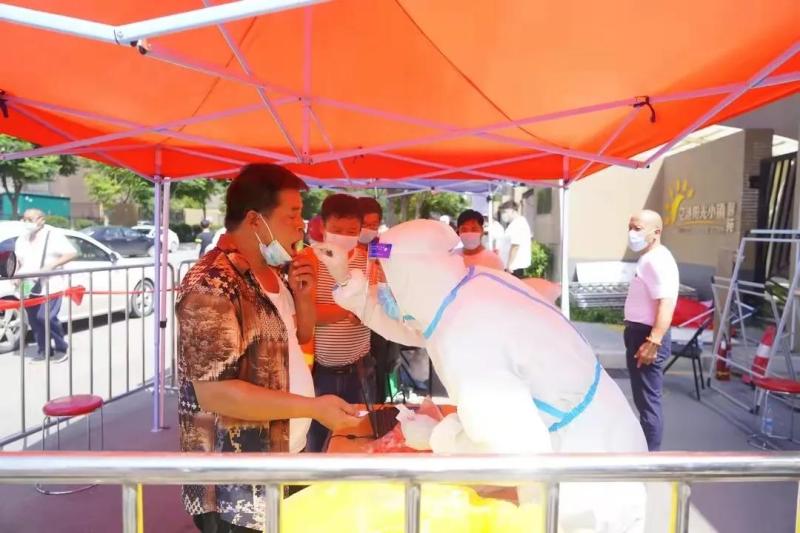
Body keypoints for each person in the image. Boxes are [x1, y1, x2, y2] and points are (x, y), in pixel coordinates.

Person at [313, 219, 650, 531]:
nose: (384, 287)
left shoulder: (466, 333)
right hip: (600, 447)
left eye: (387, 276)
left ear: (410, 276)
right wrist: (348, 284)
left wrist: (435, 436)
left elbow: (508, 456)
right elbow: (417, 327)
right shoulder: (473, 286)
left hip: (585, 485)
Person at [177, 164, 359, 533]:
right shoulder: (212, 284)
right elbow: (214, 393)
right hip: (238, 483)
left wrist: (304, 297)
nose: (302, 226)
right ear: (254, 220)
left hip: (286, 455)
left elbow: (297, 338)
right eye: (292, 214)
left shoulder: (273, 272)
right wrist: (312, 407)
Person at [305, 194, 373, 452]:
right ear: (323, 226)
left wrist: (364, 311)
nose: (344, 236)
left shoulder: (370, 262)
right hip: (320, 372)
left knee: (361, 439)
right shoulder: (310, 259)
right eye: (337, 230)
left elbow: (377, 308)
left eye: (351, 231)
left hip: (360, 368)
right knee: (318, 443)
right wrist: (351, 307)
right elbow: (309, 314)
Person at [623, 209, 679, 452]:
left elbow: (666, 302)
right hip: (641, 333)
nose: (631, 234)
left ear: (656, 232)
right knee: (644, 399)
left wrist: (653, 341)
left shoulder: (656, 260)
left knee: (648, 402)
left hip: (646, 336)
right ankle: (646, 450)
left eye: (637, 229)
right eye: (630, 228)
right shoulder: (651, 258)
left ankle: (649, 457)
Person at [15, 209, 77, 363]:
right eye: (24, 219)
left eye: (29, 219)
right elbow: (18, 260)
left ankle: (61, 348)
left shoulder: (53, 234)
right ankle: (44, 350)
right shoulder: (22, 238)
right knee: (34, 320)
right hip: (27, 284)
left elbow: (71, 253)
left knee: (46, 317)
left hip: (50, 284)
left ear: (41, 219)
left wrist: (51, 265)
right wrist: (15, 275)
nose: (26, 222)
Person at [499, 201, 532, 277]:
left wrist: (509, 265)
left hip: (514, 267)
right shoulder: (515, 224)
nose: (503, 215)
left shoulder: (518, 224)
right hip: (512, 266)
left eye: (504, 212)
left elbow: (515, 246)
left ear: (512, 211)